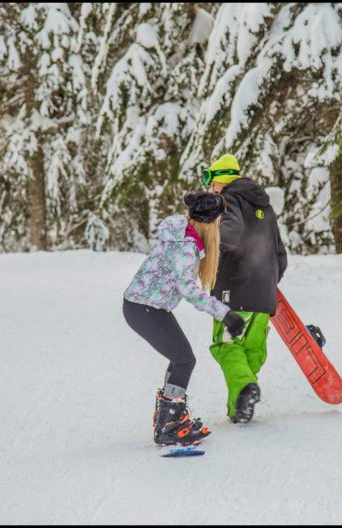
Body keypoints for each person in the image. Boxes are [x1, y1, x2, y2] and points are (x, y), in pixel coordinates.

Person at [123, 192, 246, 447]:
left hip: (146, 307)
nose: (219, 226)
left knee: (180, 358)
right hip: (144, 308)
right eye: (218, 221)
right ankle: (169, 424)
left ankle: (168, 418)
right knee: (184, 359)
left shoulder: (183, 234)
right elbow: (189, 290)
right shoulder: (186, 247)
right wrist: (226, 314)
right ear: (208, 222)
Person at [202, 154, 288, 424]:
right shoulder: (266, 207)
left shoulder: (227, 200)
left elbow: (229, 235)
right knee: (251, 350)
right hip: (264, 295)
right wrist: (267, 282)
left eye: (211, 181)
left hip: (234, 291)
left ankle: (244, 388)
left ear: (221, 180)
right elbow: (281, 255)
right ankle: (238, 408)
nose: (210, 188)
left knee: (225, 346)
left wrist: (205, 240)